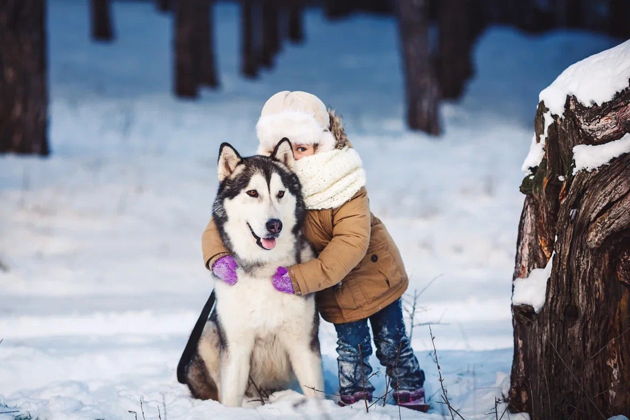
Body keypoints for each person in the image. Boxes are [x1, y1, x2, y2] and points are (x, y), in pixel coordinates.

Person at [202, 91, 428, 412]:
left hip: (374, 275)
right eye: (288, 148)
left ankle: (410, 389)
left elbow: (350, 243)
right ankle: (355, 397)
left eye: (303, 147)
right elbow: (222, 221)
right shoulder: (274, 180)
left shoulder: (342, 183)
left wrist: (300, 277)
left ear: (320, 145)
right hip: (334, 287)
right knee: (352, 347)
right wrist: (217, 256)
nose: (297, 155)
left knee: (392, 343)